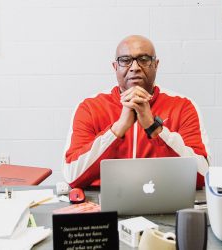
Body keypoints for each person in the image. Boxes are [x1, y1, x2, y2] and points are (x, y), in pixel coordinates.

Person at [62, 35, 210, 189]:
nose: (134, 67)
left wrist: (153, 127)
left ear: (156, 64)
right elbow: (73, 176)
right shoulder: (89, 107)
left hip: (166, 201)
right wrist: (118, 129)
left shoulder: (183, 107)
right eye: (125, 60)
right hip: (104, 205)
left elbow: (202, 175)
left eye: (144, 59)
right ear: (115, 67)